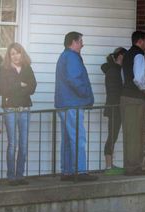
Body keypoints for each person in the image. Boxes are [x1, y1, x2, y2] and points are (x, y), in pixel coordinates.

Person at [55, 31, 97, 181]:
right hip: (73, 104)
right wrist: (87, 96)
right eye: (80, 42)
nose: (82, 44)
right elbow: (75, 79)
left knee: (67, 139)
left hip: (64, 104)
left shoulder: (64, 56)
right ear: (72, 42)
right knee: (78, 138)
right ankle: (80, 171)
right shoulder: (72, 57)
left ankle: (67, 172)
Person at [0, 43, 37, 186]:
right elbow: (3, 89)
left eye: (17, 53)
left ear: (22, 54)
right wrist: (20, 85)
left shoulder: (27, 68)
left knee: (23, 144)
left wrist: (15, 90)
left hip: (25, 109)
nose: (15, 56)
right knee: (12, 144)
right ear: (9, 56)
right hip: (10, 110)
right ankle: (11, 177)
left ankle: (20, 175)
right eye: (12, 53)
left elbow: (33, 87)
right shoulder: (3, 70)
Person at [121, 31, 145, 176]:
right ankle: (134, 167)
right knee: (136, 133)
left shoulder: (127, 54)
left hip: (125, 97)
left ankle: (129, 165)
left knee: (128, 132)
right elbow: (139, 78)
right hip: (135, 98)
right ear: (140, 41)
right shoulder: (138, 54)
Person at [101, 47, 127, 172]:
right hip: (114, 108)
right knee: (112, 136)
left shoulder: (116, 70)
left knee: (113, 136)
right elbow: (114, 91)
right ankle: (108, 167)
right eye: (125, 55)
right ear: (120, 56)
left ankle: (110, 165)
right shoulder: (114, 71)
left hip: (116, 107)